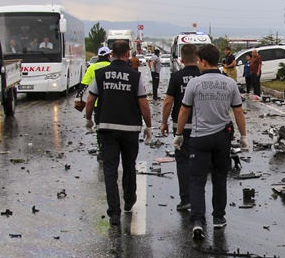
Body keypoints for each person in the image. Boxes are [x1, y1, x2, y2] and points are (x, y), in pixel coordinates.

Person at [174, 44, 248, 239]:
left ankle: (198, 221)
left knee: (197, 180)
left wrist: (179, 133)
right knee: (219, 178)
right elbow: (238, 111)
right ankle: (218, 218)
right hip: (222, 138)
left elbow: (184, 110)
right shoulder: (230, 83)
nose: (198, 64)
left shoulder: (195, 83)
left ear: (204, 61)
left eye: (199, 61)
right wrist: (244, 136)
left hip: (199, 138)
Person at [82, 40, 152, 225]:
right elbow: (143, 104)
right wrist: (149, 126)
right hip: (130, 130)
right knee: (129, 165)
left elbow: (90, 100)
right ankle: (129, 200)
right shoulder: (134, 76)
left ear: (112, 54)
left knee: (110, 170)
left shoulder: (100, 74)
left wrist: (89, 119)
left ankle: (114, 212)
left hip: (106, 128)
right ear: (127, 54)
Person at [161, 44, 201, 211]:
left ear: (182, 59)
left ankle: (186, 199)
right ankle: (199, 199)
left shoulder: (177, 76)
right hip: (203, 126)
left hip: (181, 126)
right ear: (198, 57)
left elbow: (168, 101)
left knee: (183, 163)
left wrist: (164, 122)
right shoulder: (202, 75)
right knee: (200, 163)